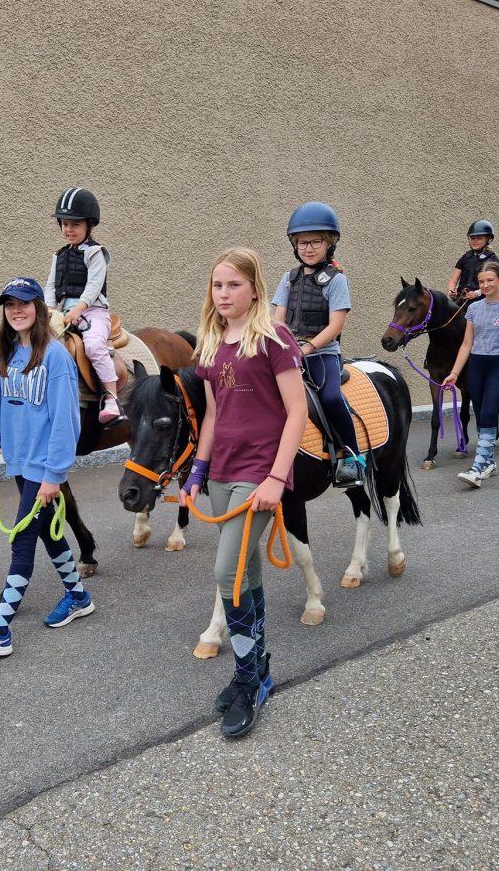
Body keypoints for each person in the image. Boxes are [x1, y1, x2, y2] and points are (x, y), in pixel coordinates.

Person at [180, 247, 307, 738]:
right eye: (217, 285)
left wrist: (277, 477)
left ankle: (248, 681)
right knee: (245, 571)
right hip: (221, 473)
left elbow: (297, 411)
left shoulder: (274, 337)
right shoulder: (211, 342)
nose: (224, 293)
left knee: (225, 574)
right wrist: (197, 471)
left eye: (234, 284)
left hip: (260, 472)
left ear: (255, 289)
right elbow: (213, 415)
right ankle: (256, 670)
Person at [0, 276, 91, 659]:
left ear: (38, 308)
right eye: (10, 304)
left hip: (41, 468)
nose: (16, 310)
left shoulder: (56, 357)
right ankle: (78, 596)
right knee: (48, 533)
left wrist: (53, 476)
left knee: (22, 540)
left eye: (24, 303)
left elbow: (66, 423)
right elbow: (2, 412)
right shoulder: (9, 354)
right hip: (20, 463)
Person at [271, 201, 364, 487]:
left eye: (315, 242)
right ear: (294, 245)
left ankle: (351, 456)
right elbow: (278, 320)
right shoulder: (289, 278)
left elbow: (336, 325)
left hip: (322, 354)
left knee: (331, 398)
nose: (308, 248)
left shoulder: (336, 280)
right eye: (302, 243)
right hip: (289, 352)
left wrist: (306, 348)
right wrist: (280, 346)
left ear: (329, 244)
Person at [442, 261, 499, 488]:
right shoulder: (473, 309)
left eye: (490, 280)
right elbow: (466, 344)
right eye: (481, 281)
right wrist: (454, 373)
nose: (485, 285)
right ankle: (489, 464)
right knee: (481, 416)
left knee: (489, 413)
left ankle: (477, 468)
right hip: (476, 367)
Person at [43, 186, 124, 425]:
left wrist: (80, 308)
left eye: (75, 224)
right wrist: (49, 309)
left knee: (93, 346)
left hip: (92, 311)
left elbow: (94, 285)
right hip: (64, 313)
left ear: (89, 225)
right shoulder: (58, 256)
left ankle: (111, 398)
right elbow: (50, 285)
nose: (69, 229)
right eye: (65, 224)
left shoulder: (95, 252)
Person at [446, 219, 499, 304]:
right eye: (472, 238)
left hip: (481, 301)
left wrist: (477, 293)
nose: (475, 241)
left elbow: (493, 283)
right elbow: (453, 281)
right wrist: (451, 291)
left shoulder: (492, 259)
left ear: (488, 239)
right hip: (461, 300)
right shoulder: (465, 257)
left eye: (479, 238)